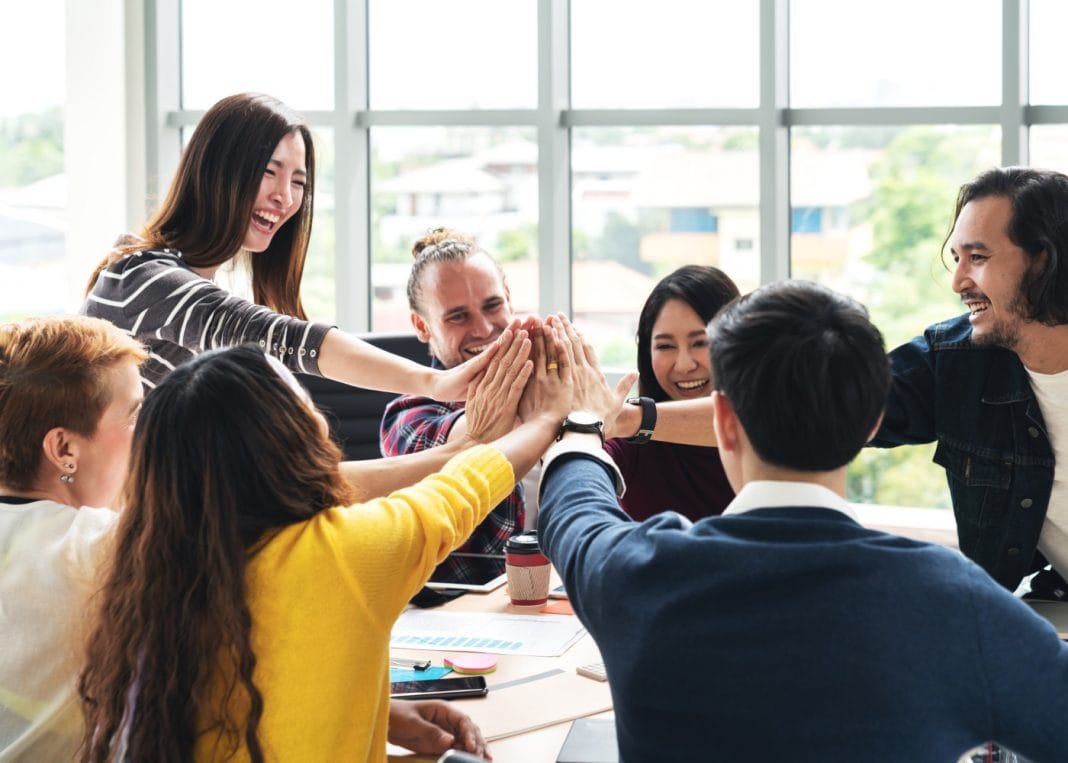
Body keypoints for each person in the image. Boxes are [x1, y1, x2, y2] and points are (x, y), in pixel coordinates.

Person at [535, 281, 1068, 760]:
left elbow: (573, 508)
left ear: (723, 419)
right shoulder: (957, 602)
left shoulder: (634, 575)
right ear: (873, 421)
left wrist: (583, 427)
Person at [78, 327, 573, 762]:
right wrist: (547, 417)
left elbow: (253, 701)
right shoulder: (348, 552)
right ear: (292, 436)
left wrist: (381, 711)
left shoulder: (151, 564)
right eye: (302, 399)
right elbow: (465, 486)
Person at [81, 93, 491, 400]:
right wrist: (433, 382)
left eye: (298, 182)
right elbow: (283, 336)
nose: (285, 198)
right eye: (268, 172)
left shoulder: (174, 279)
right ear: (215, 172)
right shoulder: (143, 278)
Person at [870, 166, 1068, 597]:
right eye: (957, 259)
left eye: (977, 258)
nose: (959, 282)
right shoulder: (957, 362)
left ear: (1043, 260)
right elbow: (812, 407)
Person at [0, 315, 146, 760]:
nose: (148, 434)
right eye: (135, 416)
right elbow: (255, 506)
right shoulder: (93, 547)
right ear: (64, 450)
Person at [380, 228, 530, 586]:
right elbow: (477, 432)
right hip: (458, 617)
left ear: (508, 298)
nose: (483, 328)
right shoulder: (407, 418)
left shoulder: (546, 385)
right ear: (422, 326)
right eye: (458, 317)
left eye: (493, 305)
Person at [605, 265, 737, 521]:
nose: (684, 364)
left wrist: (629, 419)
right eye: (665, 346)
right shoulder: (630, 440)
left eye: (701, 342)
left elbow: (750, 418)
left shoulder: (767, 431)